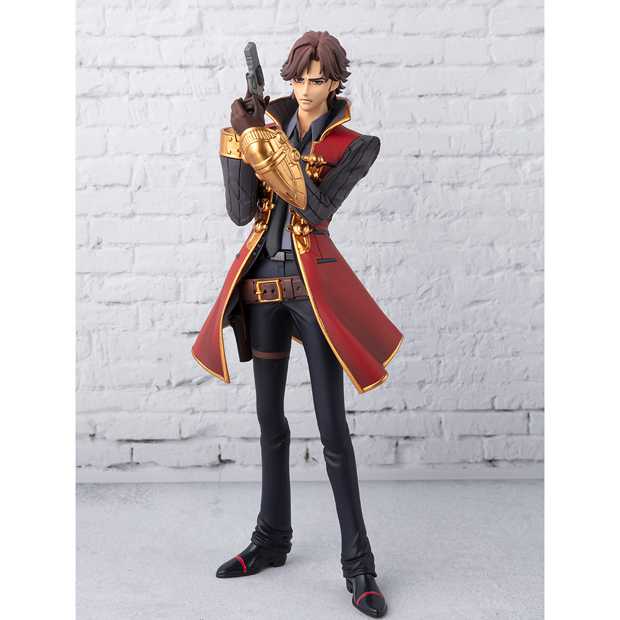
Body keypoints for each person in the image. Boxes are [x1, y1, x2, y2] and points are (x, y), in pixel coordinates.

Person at [192, 30, 403, 618]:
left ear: (335, 83)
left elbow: (316, 205)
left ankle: (359, 565)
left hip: (314, 295)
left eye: (319, 80)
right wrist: (238, 137)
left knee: (333, 431)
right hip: (262, 289)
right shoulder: (267, 128)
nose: (307, 90)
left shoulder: (355, 145)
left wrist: (261, 142)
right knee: (270, 423)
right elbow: (240, 213)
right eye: (300, 79)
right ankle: (271, 539)